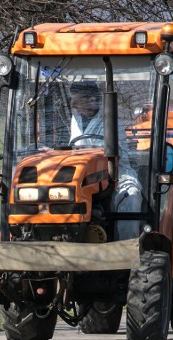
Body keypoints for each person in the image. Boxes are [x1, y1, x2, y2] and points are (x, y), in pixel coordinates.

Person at [68, 81, 143, 239]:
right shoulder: (76, 119)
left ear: (92, 100)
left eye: (77, 101)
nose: (73, 105)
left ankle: (127, 247)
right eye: (73, 101)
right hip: (82, 175)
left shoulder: (111, 119)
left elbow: (118, 154)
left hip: (115, 172)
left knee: (131, 196)